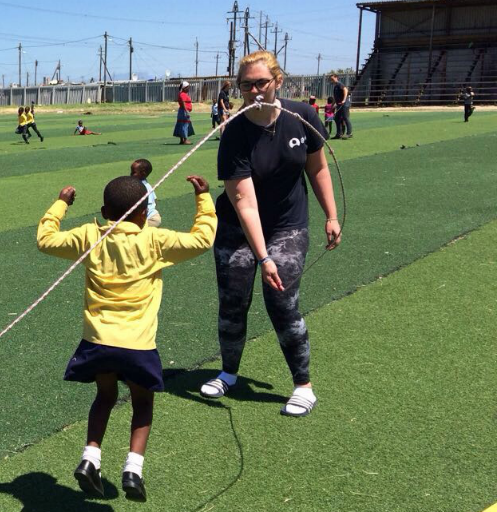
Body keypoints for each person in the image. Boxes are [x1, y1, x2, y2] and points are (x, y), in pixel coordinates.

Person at [37, 174, 216, 502]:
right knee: (143, 403)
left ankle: (91, 457)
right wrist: (203, 199)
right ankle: (133, 469)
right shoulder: (154, 240)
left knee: (104, 396)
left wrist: (60, 202)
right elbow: (201, 240)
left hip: (99, 342)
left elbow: (46, 239)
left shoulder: (90, 235)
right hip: (137, 346)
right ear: (145, 213)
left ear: (105, 210)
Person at [200, 50, 340, 417]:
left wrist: (331, 215)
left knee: (281, 301)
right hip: (237, 227)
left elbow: (318, 168)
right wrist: (263, 257)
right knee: (233, 302)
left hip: (287, 225)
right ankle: (228, 373)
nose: (254, 90)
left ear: (278, 81)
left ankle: (303, 386)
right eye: (247, 85)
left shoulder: (304, 116)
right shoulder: (234, 132)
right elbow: (243, 200)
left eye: (262, 82)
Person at [128, 159, 162, 227]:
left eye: (133, 172)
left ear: (143, 173)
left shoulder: (142, 187)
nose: (130, 174)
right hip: (151, 217)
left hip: (151, 219)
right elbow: (155, 200)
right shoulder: (145, 183)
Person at [330, 74, 352, 139]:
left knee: (345, 117)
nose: (331, 80)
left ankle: (349, 133)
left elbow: (345, 90)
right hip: (339, 105)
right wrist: (333, 104)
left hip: (344, 104)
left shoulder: (339, 84)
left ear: (336, 78)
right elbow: (335, 97)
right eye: (331, 79)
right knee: (336, 118)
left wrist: (344, 100)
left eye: (332, 79)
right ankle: (339, 134)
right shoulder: (335, 86)